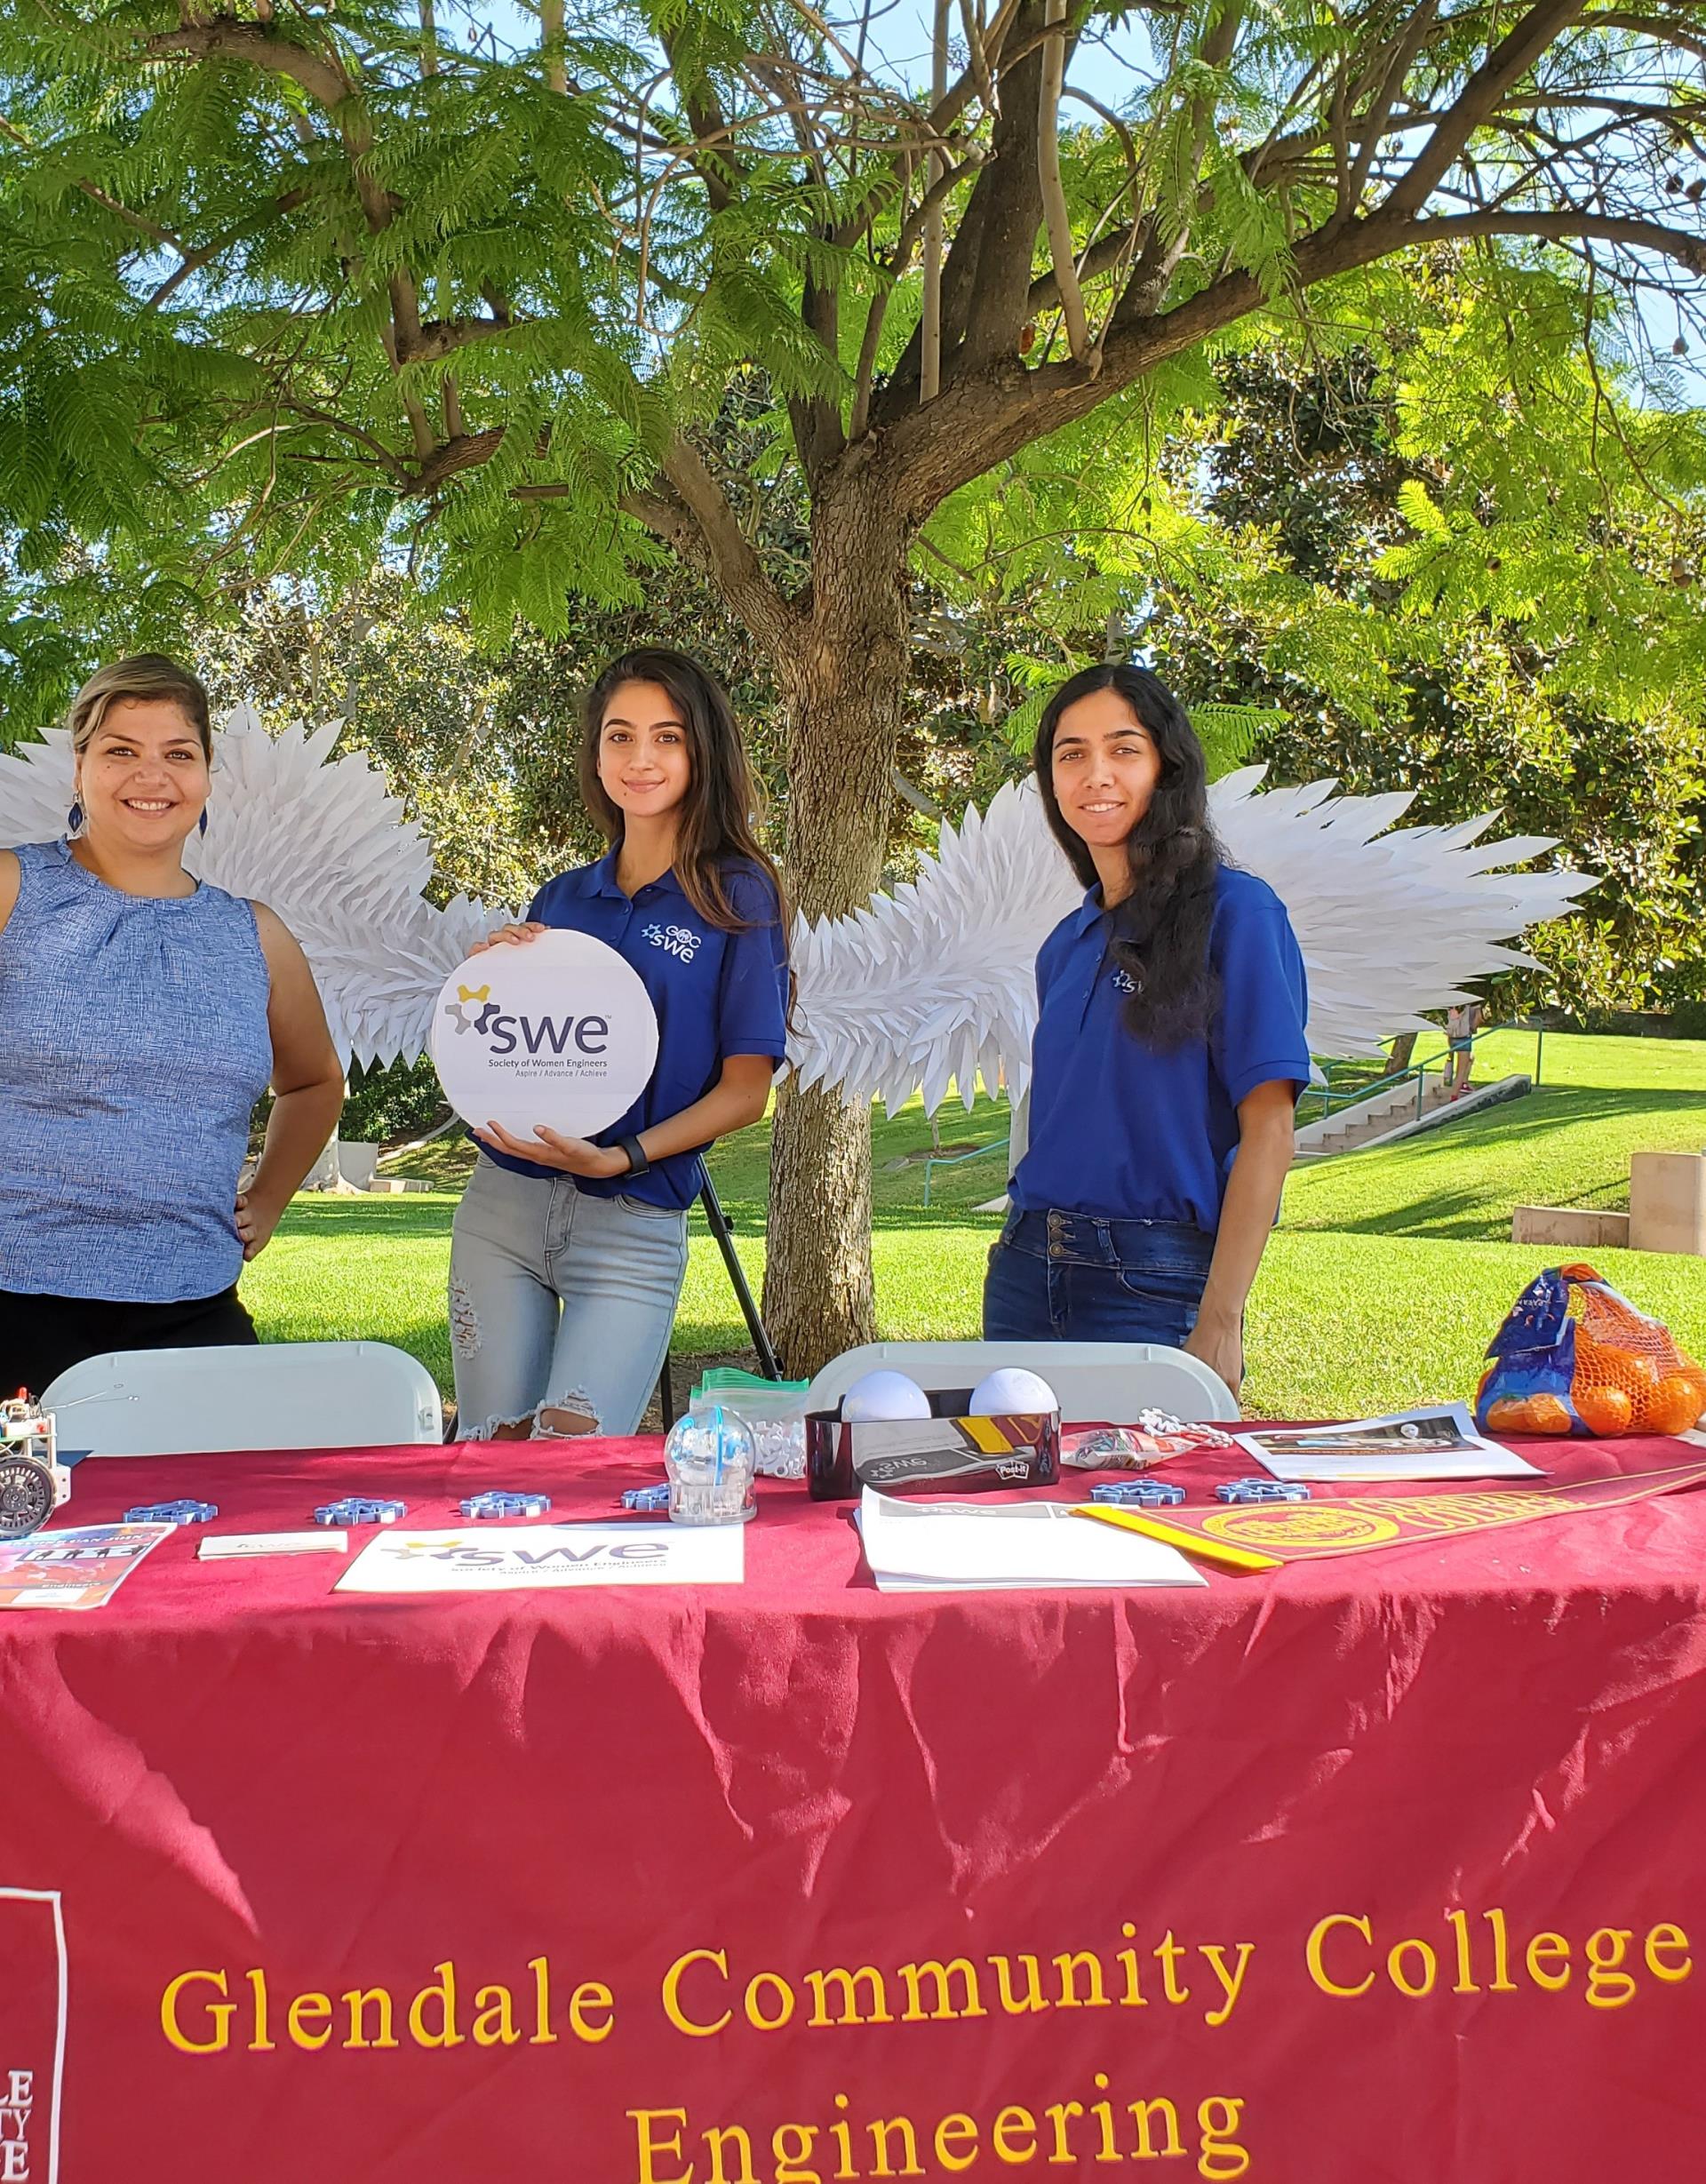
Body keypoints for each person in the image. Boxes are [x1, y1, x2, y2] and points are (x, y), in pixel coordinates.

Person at [447, 648, 790, 1440]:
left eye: (667, 737)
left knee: (573, 1463)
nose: (641, 759)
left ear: (702, 750)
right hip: (503, 1206)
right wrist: (482, 987)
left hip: (632, 1218)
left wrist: (622, 1156)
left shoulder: (739, 893)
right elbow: (506, 1042)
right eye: (619, 736)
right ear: (595, 755)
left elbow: (746, 1090)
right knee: (487, 1454)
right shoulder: (563, 899)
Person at [0, 655, 345, 1395]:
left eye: (177, 754)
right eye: (120, 750)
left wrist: (271, 1198)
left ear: (206, 775)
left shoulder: (256, 935)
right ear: (79, 768)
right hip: (13, 1301)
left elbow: (315, 1081)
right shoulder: (11, 891)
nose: (150, 776)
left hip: (193, 1305)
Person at [983, 664, 1310, 1399]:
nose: (1095, 774)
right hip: (1024, 1269)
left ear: (1166, 766)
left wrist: (1221, 1318)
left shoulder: (1240, 914)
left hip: (1154, 1282)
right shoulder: (1065, 945)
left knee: (1147, 1507)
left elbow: (1271, 1133)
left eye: (1123, 749)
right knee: (1018, 1507)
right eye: (1071, 754)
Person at [1445, 1000, 1484, 1099]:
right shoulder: (1475, 1001)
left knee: (1469, 1058)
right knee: (1461, 1069)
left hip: (1451, 1036)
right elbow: (1478, 1018)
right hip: (1464, 1037)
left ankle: (1462, 1082)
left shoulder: (1454, 999)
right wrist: (1473, 1029)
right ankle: (1454, 1096)